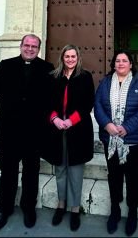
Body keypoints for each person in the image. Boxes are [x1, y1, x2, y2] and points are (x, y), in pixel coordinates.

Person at [0, 34, 54, 232]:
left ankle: (28, 209)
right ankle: (4, 210)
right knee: (7, 172)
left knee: (31, 172)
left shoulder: (47, 69)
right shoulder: (6, 65)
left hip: (34, 130)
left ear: (39, 49)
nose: (30, 49)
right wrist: (12, 103)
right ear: (21, 46)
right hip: (10, 128)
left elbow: (51, 95)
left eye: (34, 46)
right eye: (27, 45)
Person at [94, 50, 138, 236]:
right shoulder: (105, 82)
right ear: (114, 64)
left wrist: (127, 127)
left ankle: (133, 212)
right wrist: (107, 125)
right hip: (110, 138)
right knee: (114, 174)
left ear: (131, 64)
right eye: (117, 61)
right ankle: (115, 210)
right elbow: (97, 106)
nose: (120, 63)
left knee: (133, 176)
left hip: (133, 139)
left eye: (124, 61)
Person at [41, 44, 94, 232]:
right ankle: (61, 205)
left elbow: (88, 103)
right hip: (56, 129)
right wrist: (55, 118)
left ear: (78, 58)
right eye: (67, 56)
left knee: (75, 171)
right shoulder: (53, 77)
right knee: (60, 169)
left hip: (77, 130)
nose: (70, 59)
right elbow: (45, 102)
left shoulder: (85, 77)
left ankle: (74, 208)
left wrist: (71, 121)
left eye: (73, 56)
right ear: (62, 58)